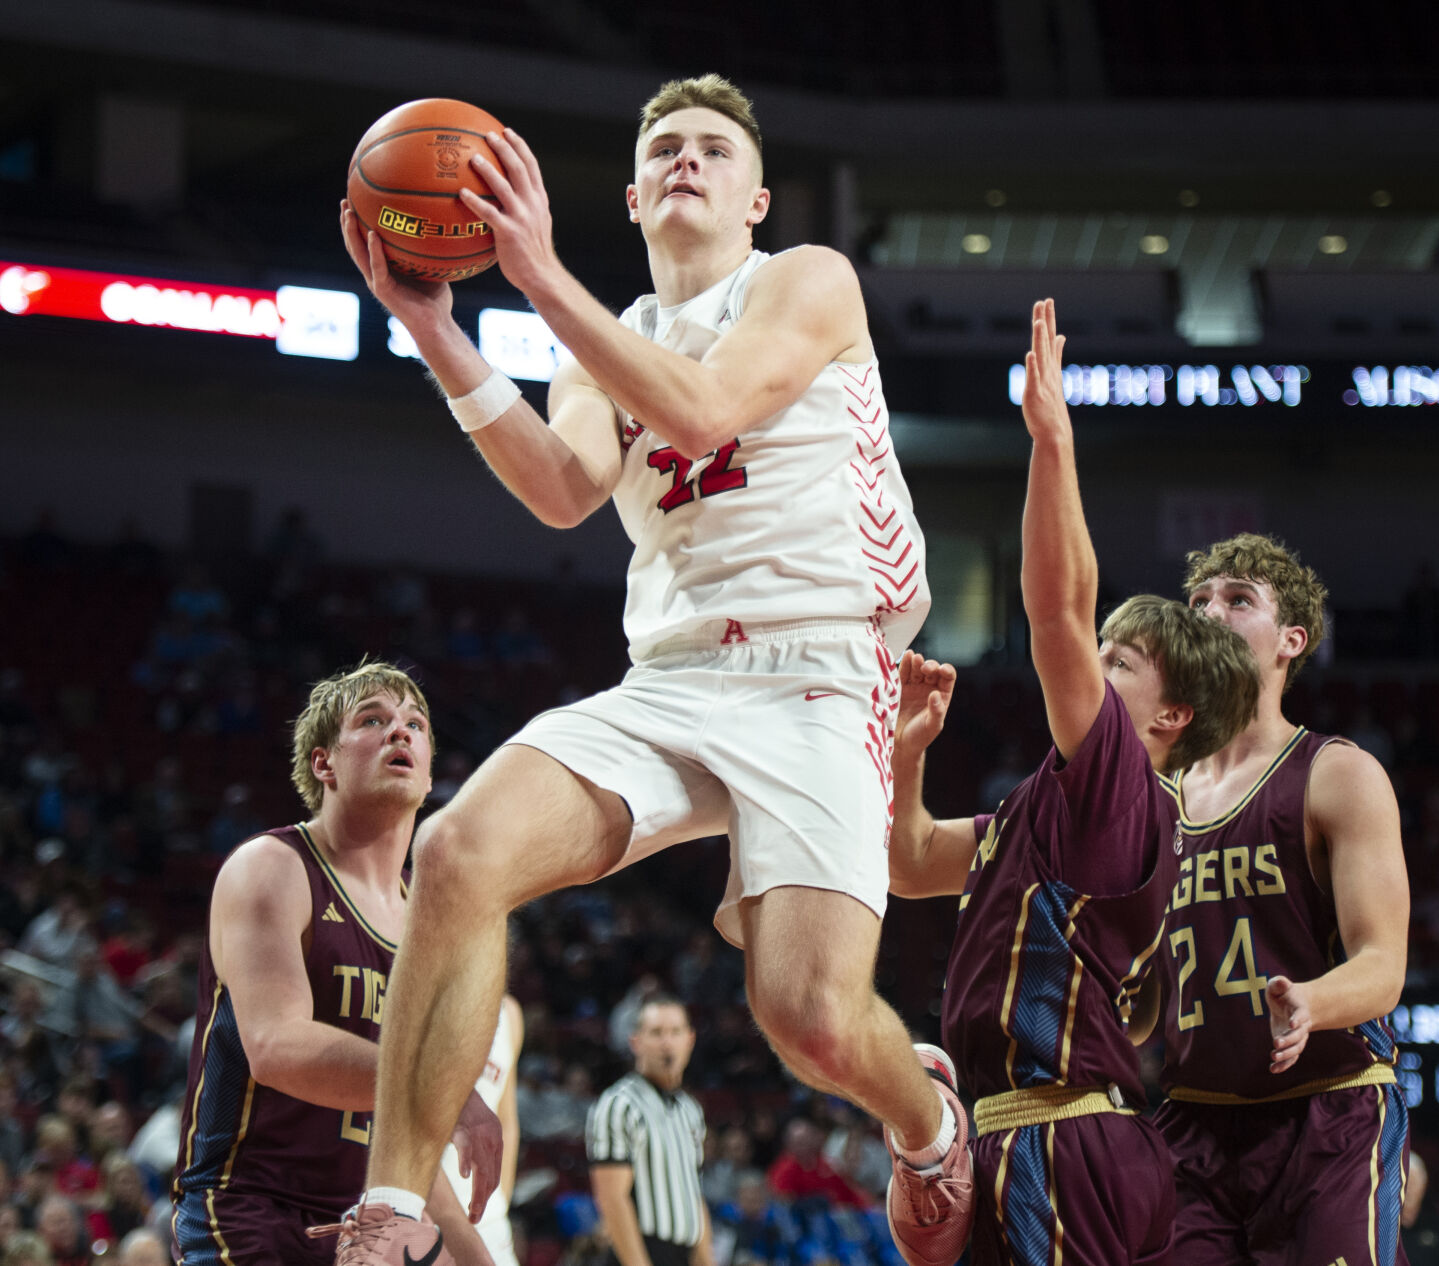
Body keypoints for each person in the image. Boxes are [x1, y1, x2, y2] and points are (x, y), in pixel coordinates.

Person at [335, 72, 969, 1266]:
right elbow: (565, 492)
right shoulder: (602, 344)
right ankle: (396, 1211)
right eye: (665, 147)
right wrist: (431, 325)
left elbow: (709, 408)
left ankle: (930, 1125)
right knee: (457, 851)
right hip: (672, 673)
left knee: (807, 1018)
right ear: (629, 197)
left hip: (821, 667)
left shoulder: (803, 279)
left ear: (755, 196)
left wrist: (536, 278)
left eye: (713, 150)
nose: (687, 160)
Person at [888, 301, 1261, 1265]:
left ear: (1169, 716)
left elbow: (1055, 608)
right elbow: (911, 862)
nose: (1092, 669)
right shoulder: (1049, 804)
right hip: (1040, 1134)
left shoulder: (1124, 790)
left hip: (1063, 1137)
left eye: (1120, 663)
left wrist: (1052, 442)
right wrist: (906, 755)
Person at [169, 661, 501, 1266]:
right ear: (324, 764)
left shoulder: (431, 928)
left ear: (429, 777)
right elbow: (276, 1047)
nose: (399, 732)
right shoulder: (271, 866)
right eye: (373, 719)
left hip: (368, 1222)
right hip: (250, 1207)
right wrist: (445, 1091)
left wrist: (475, 1255)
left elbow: (410, 1138)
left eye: (415, 724)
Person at [1149, 532, 1411, 1265]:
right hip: (1193, 1122)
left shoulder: (1335, 774)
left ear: (1290, 640)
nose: (1209, 612)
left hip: (1328, 1109)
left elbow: (1382, 964)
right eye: (1197, 601)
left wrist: (1311, 1004)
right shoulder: (1151, 794)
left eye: (1237, 600)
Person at [586, 996, 709, 1266]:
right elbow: (612, 1199)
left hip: (683, 1253)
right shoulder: (619, 1104)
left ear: (690, 1040)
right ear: (635, 1042)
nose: (667, 1042)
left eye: (675, 1032)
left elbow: (693, 1194)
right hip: (640, 1253)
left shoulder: (690, 1110)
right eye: (656, 1033)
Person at [440, 996, 525, 1266]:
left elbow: (507, 1121)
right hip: (425, 1211)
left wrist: (502, 1202)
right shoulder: (425, 993)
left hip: (487, 1222)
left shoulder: (509, 1013)